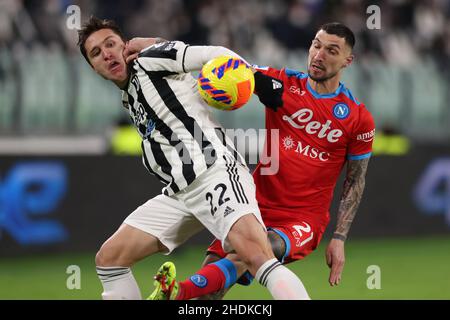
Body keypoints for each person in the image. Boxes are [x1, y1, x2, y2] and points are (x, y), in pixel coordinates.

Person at [133, 22, 375, 300]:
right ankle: (183, 293)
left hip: (302, 219)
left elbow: (355, 179)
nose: (319, 55)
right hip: (252, 205)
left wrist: (340, 238)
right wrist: (154, 43)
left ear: (348, 60)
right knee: (207, 296)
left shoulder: (357, 118)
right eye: (316, 45)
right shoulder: (282, 87)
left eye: (332, 50)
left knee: (258, 252)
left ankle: (178, 291)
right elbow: (219, 63)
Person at [77, 16, 311, 300]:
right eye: (96, 53)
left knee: (257, 257)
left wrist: (233, 82)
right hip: (180, 193)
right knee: (110, 259)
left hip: (214, 173)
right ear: (93, 66)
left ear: (124, 45)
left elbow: (220, 55)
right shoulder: (130, 94)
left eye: (110, 44)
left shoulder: (149, 60)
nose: (107, 54)